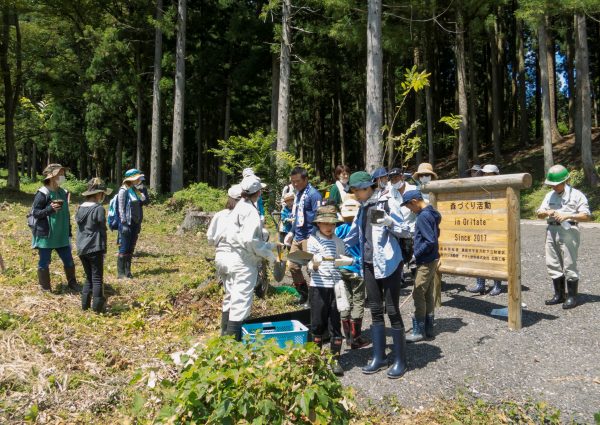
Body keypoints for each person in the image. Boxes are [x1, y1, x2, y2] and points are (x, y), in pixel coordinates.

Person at [345, 171, 409, 379]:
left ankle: (400, 360)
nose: (354, 194)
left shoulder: (386, 203)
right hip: (369, 264)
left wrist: (389, 222)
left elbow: (406, 230)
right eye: (353, 191)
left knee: (392, 309)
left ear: (367, 188)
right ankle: (379, 357)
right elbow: (353, 236)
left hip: (389, 263)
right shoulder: (362, 209)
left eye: (356, 190)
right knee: (374, 309)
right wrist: (331, 247)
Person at [222, 175, 276, 339]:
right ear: (258, 192)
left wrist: (271, 246)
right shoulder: (251, 212)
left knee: (231, 298)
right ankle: (233, 345)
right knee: (241, 303)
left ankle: (224, 338)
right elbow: (251, 241)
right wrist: (270, 254)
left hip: (231, 257)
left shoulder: (239, 207)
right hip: (244, 262)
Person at [536, 165, 591, 309]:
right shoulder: (549, 195)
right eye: (551, 185)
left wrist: (568, 215)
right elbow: (539, 213)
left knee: (569, 263)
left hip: (569, 229)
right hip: (551, 230)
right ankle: (559, 295)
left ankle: (572, 296)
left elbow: (586, 216)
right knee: (552, 262)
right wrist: (547, 213)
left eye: (556, 184)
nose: (553, 187)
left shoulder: (577, 195)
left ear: (565, 181)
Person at [307, 205, 350, 376]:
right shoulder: (313, 240)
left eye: (332, 223)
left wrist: (347, 262)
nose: (328, 227)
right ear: (318, 224)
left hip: (335, 285)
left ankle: (335, 359)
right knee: (317, 322)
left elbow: (341, 260)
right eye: (324, 223)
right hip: (318, 286)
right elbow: (309, 266)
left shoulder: (339, 241)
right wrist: (314, 263)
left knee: (335, 322)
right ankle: (315, 359)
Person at [401, 190, 442, 342]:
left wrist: (415, 254)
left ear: (414, 201)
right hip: (432, 259)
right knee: (427, 293)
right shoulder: (432, 213)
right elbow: (435, 234)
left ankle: (419, 331)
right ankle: (429, 328)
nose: (410, 210)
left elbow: (430, 240)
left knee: (418, 292)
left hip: (425, 261)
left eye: (409, 206)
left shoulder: (423, 217)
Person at [31, 163, 78, 292]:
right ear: (51, 176)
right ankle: (45, 288)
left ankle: (72, 283)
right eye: (60, 174)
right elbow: (35, 213)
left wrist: (69, 233)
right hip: (47, 235)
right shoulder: (43, 193)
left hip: (61, 235)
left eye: (63, 174)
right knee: (44, 262)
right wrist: (49, 209)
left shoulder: (63, 192)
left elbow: (66, 215)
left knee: (69, 261)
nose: (62, 176)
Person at [284, 167, 323, 307]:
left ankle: (315, 299)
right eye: (292, 182)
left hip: (309, 236)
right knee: (293, 266)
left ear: (306, 179)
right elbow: (297, 216)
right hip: (298, 235)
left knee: (312, 268)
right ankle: (303, 295)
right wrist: (291, 232)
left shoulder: (314, 195)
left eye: (298, 181)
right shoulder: (299, 194)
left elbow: (318, 217)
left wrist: (313, 237)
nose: (295, 184)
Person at [207, 184, 243, 334]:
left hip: (220, 256)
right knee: (237, 296)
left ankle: (225, 332)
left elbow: (210, 238)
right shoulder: (244, 216)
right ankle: (232, 334)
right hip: (236, 257)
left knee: (229, 292)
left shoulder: (219, 215)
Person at [335, 196, 369, 350]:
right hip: (356, 269)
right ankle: (356, 338)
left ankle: (347, 337)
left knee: (345, 300)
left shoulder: (338, 230)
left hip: (341, 268)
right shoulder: (360, 229)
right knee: (358, 301)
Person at [76, 178, 112, 313]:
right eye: (103, 194)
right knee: (97, 278)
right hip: (95, 247)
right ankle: (97, 308)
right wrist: (104, 248)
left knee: (88, 277)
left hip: (81, 248)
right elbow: (102, 228)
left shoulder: (79, 208)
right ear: (98, 194)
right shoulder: (98, 209)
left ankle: (84, 307)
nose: (103, 196)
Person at [467, 164, 504, 296]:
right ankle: (480, 284)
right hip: (479, 225)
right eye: (484, 173)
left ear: (496, 175)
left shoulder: (502, 188)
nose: (486, 176)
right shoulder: (479, 188)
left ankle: (497, 285)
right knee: (478, 254)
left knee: (495, 256)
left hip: (495, 227)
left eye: (489, 174)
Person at [116, 169, 148, 279]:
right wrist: (123, 223)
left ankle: (128, 271)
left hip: (135, 222)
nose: (139, 180)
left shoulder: (134, 189)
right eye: (137, 178)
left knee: (131, 247)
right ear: (131, 179)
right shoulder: (123, 190)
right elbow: (121, 208)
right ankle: (121, 273)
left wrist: (140, 190)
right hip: (126, 223)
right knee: (124, 247)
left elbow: (143, 199)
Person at [387, 167, 417, 283]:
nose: (395, 181)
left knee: (414, 253)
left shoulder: (413, 189)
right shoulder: (390, 191)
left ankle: (417, 276)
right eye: (392, 179)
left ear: (402, 177)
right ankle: (400, 278)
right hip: (398, 228)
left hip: (413, 226)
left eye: (397, 177)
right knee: (399, 253)